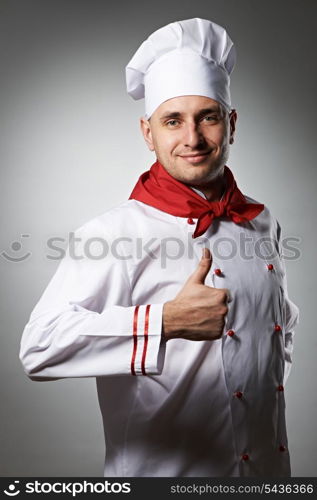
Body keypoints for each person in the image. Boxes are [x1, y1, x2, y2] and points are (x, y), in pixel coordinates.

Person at [19, 18, 299, 477]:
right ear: (148, 133)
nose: (192, 138)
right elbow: (39, 347)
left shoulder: (262, 221)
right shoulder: (113, 233)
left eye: (207, 117)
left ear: (230, 124)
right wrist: (165, 321)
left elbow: (280, 324)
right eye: (173, 121)